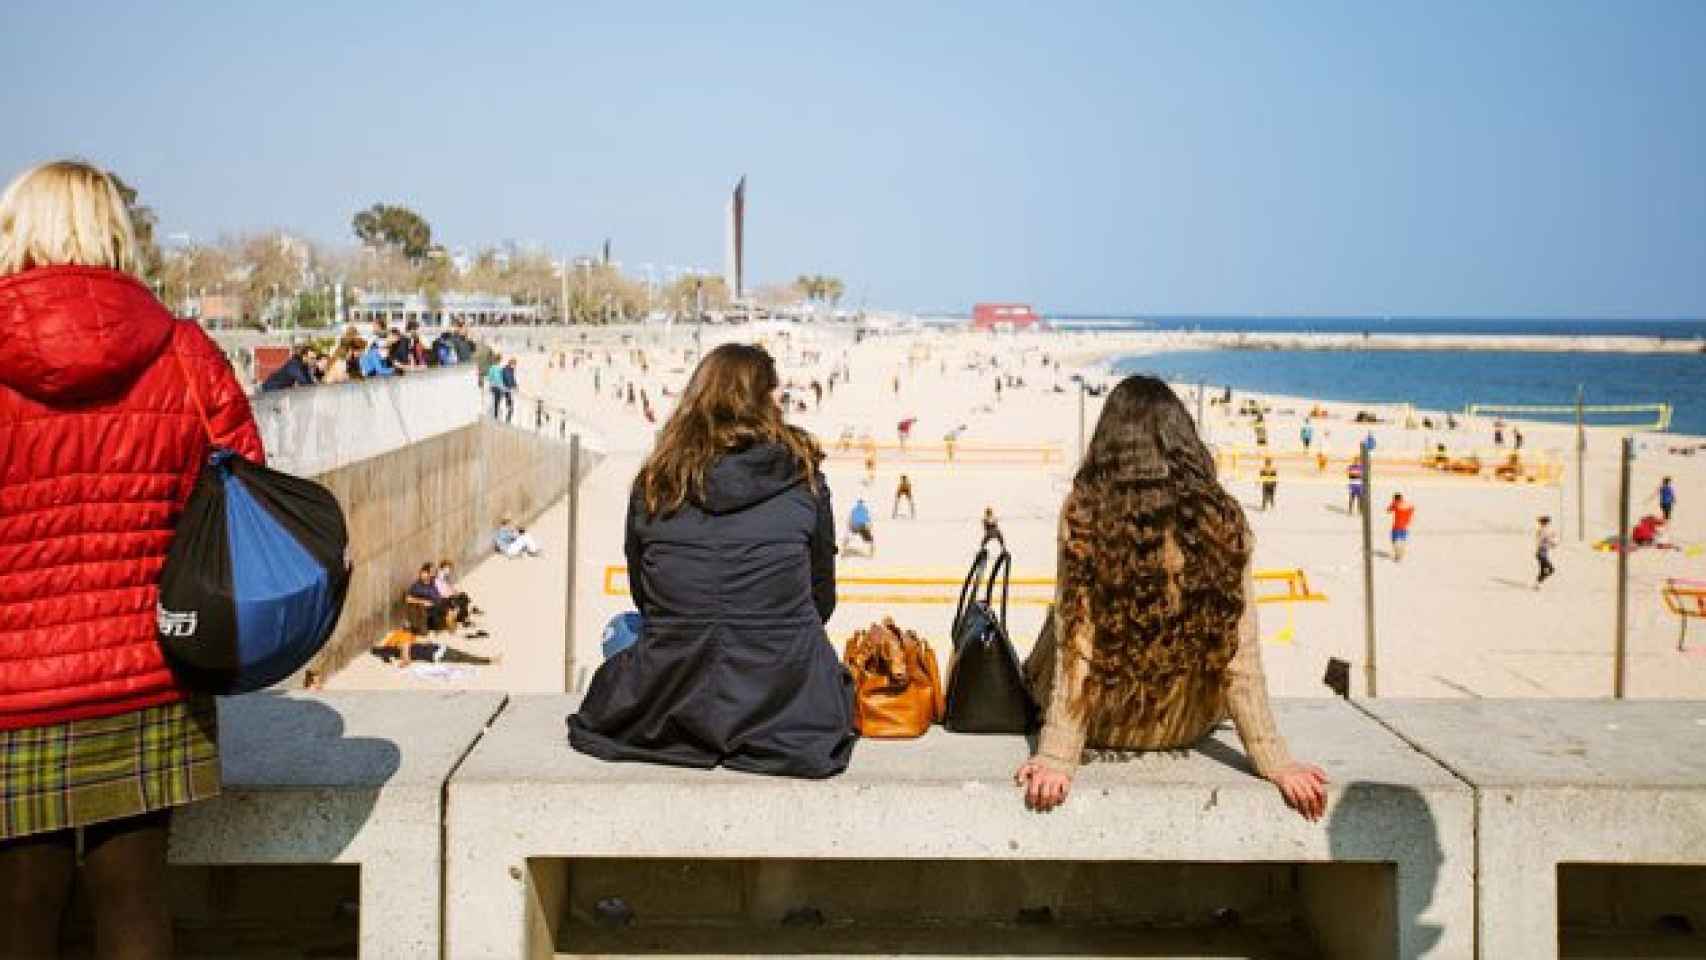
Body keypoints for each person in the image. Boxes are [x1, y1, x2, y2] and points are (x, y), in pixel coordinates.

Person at [0, 160, 265, 958]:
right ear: (114, 230)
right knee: (136, 904)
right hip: (148, 670)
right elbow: (244, 486)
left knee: (17, 912)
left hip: (9, 686)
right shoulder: (183, 351)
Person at [1014, 377, 1328, 819]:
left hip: (1107, 727)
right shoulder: (1221, 517)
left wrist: (1057, 757)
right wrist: (1274, 759)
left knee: (1062, 616)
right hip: (1188, 723)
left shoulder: (1084, 512)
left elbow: (1077, 648)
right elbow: (1241, 653)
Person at [568, 343, 854, 778]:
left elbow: (646, 597)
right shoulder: (804, 480)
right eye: (775, 392)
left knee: (625, 631)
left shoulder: (656, 483)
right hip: (788, 702)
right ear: (762, 400)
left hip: (667, 696)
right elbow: (822, 599)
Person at [1387, 493, 1415, 562]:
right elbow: (1412, 509)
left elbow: (1389, 510)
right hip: (1405, 525)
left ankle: (1398, 555)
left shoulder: (1396, 504)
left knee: (1394, 540)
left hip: (1396, 525)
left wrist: (1394, 503)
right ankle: (1401, 553)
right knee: (1402, 540)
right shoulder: (1408, 505)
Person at [1535, 516, 1559, 587]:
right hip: (1541, 554)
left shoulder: (1543, 530)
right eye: (1546, 522)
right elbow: (1544, 540)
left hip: (1542, 553)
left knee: (1543, 570)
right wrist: (1552, 542)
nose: (1547, 524)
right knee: (1551, 569)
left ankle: (1538, 584)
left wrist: (1552, 542)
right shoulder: (1542, 530)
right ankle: (1538, 583)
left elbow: (1546, 540)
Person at [486, 355, 510, 421]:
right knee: (498, 399)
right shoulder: (499, 368)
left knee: (496, 399)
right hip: (498, 386)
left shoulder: (492, 368)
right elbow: (500, 379)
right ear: (499, 360)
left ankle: (496, 413)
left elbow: (489, 378)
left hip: (493, 386)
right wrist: (502, 386)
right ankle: (496, 414)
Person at [501, 357, 519, 423]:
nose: (515, 366)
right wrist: (512, 385)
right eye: (514, 364)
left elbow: (512, 378)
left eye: (515, 364)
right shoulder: (506, 369)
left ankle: (508, 418)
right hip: (505, 387)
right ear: (511, 363)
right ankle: (507, 418)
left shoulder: (511, 370)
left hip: (508, 388)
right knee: (509, 403)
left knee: (510, 403)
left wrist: (515, 385)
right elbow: (507, 378)